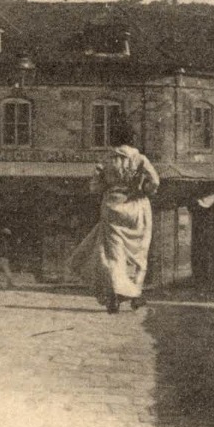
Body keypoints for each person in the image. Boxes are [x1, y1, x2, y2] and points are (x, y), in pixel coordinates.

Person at [68, 118, 159, 313]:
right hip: (136, 206)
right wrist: (144, 189)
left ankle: (114, 295)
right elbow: (155, 181)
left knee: (114, 254)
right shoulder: (140, 158)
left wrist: (109, 187)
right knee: (138, 252)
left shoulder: (106, 160)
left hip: (112, 206)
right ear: (132, 137)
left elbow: (95, 187)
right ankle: (135, 293)